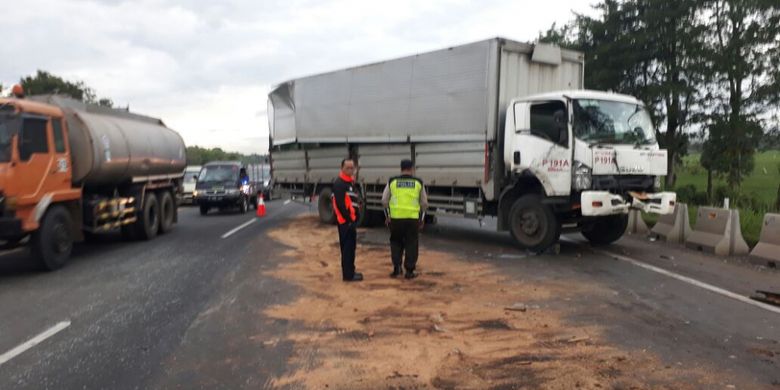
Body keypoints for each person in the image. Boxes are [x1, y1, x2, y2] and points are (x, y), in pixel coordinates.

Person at [382, 159, 428, 279]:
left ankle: (397, 268)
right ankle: (409, 271)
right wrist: (422, 219)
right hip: (412, 219)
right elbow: (424, 203)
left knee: (396, 242)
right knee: (411, 243)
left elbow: (384, 200)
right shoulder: (418, 182)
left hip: (396, 219)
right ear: (412, 168)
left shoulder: (392, 181)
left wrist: (388, 217)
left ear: (401, 168)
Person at [333, 158, 363, 282]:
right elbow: (340, 205)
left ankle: (351, 270)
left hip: (351, 221)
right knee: (347, 248)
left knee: (351, 248)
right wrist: (349, 220)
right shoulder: (340, 183)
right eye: (348, 168)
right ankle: (348, 275)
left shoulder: (349, 182)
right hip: (345, 222)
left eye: (352, 168)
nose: (351, 170)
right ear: (342, 168)